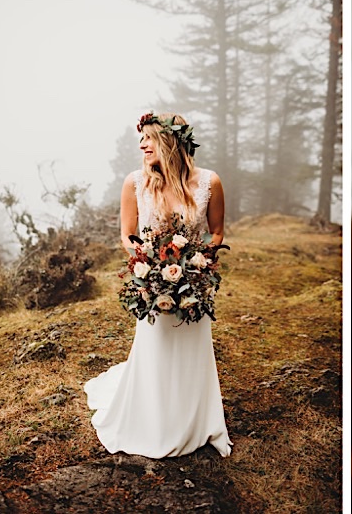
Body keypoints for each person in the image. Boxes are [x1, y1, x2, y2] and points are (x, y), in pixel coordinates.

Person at [83, 112, 232, 459]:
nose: (142, 144)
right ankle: (151, 419)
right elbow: (127, 234)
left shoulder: (210, 182)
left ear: (170, 141)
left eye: (149, 138)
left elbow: (218, 232)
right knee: (156, 349)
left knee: (190, 351)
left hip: (191, 286)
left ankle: (194, 418)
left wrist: (198, 262)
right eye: (142, 139)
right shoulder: (135, 182)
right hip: (153, 286)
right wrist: (146, 263)